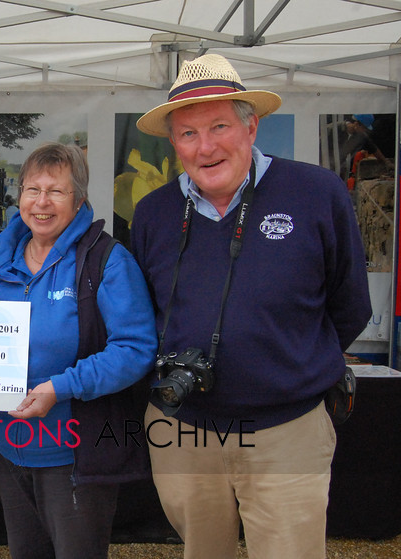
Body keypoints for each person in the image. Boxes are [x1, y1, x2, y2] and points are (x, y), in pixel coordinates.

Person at [131, 54, 371, 559]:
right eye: (188, 134)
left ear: (251, 125)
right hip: (182, 429)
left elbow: (350, 305)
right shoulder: (152, 213)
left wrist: (286, 367)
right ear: (174, 143)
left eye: (219, 126)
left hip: (288, 430)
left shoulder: (318, 193)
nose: (206, 146)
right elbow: (140, 316)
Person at [0, 142, 157, 559]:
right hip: (7, 443)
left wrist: (61, 387)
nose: (41, 202)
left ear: (79, 199)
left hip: (73, 451)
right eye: (32, 189)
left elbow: (135, 348)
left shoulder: (106, 260)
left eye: (56, 191)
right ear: (19, 197)